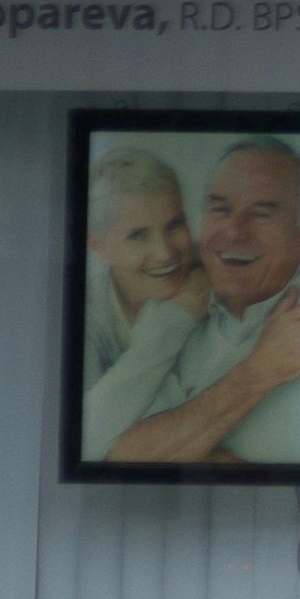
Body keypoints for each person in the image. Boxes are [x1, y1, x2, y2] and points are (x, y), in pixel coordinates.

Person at [94, 135, 300, 471]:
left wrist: (197, 447)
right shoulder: (182, 317)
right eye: (219, 209)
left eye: (261, 213)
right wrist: (260, 372)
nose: (233, 230)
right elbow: (124, 455)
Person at [75, 145, 213, 465]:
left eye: (175, 225)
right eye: (138, 235)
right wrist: (174, 319)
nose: (165, 253)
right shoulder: (82, 314)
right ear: (99, 247)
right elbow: (86, 439)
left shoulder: (218, 277)